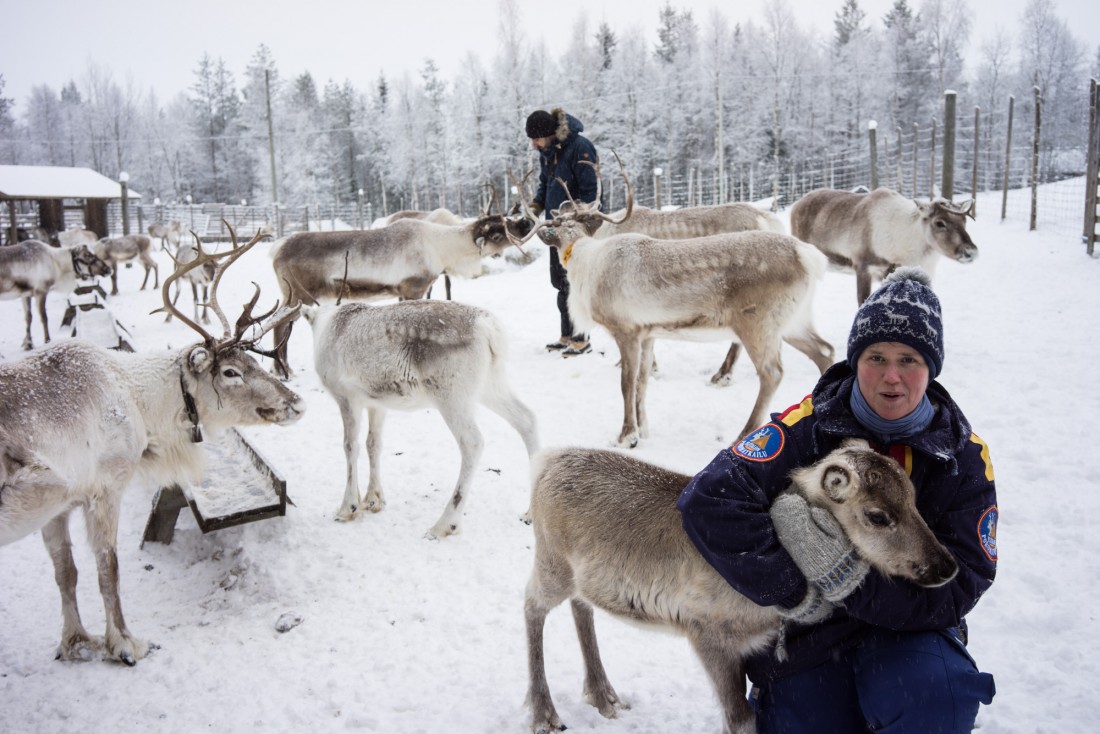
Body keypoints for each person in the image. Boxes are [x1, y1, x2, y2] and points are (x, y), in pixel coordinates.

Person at [677, 267, 997, 733]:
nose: (891, 377)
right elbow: (707, 501)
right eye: (876, 357)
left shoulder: (961, 455)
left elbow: (960, 581)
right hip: (808, 637)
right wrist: (795, 590)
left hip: (909, 633)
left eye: (909, 359)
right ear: (853, 360)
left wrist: (850, 584)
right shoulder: (807, 426)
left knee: (935, 698)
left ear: (932, 367)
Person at [525, 107, 598, 357]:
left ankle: (581, 338)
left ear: (548, 133)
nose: (533, 144)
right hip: (556, 229)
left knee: (576, 285)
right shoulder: (548, 152)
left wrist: (583, 221)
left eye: (536, 139)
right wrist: (536, 204)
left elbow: (591, 191)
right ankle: (567, 335)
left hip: (576, 230)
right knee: (560, 283)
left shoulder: (580, 147)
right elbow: (546, 183)